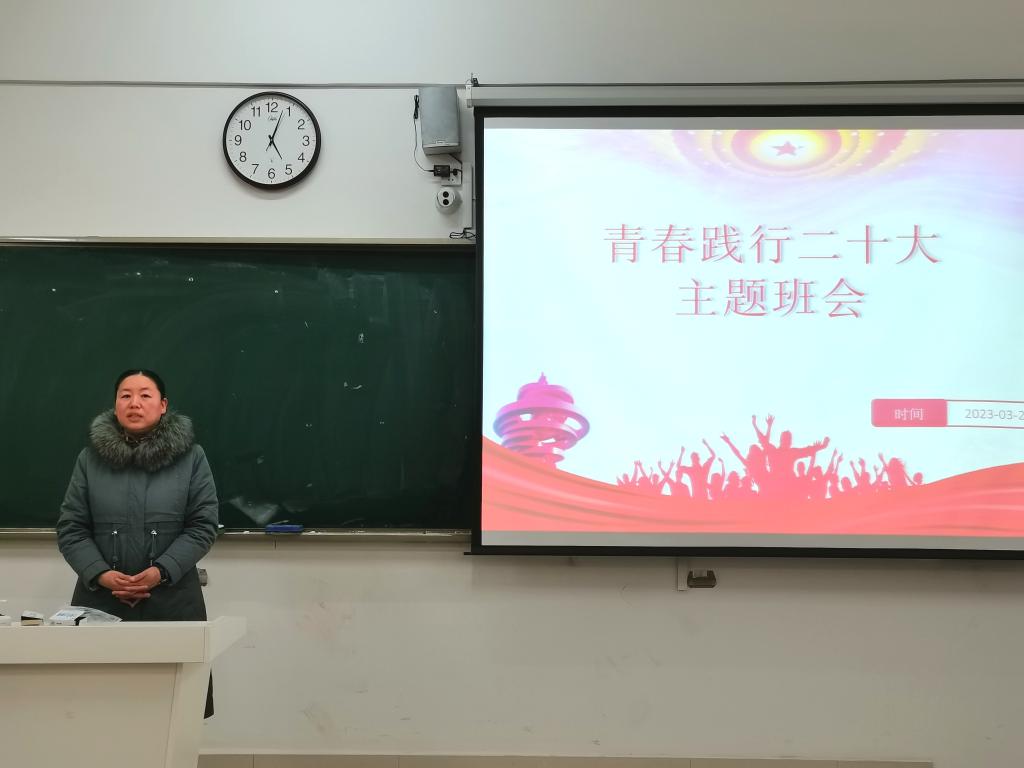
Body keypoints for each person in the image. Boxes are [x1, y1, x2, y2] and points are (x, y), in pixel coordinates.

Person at [56, 369, 219, 717]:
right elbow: (72, 529)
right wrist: (101, 575)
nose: (135, 403)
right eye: (126, 395)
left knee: (174, 709)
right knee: (100, 710)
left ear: (163, 405)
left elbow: (202, 527)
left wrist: (160, 572)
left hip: (173, 602)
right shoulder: (89, 460)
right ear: (115, 405)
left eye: (145, 395)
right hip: (101, 603)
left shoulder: (192, 458)